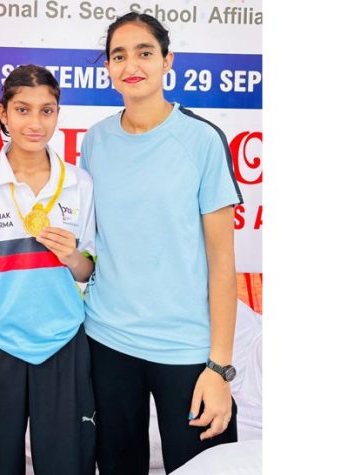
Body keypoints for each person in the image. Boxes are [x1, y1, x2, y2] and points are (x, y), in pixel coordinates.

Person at [79, 12, 244, 474]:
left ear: (167, 60)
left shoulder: (202, 140)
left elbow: (223, 263)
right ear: (108, 68)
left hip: (187, 351)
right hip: (108, 341)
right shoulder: (95, 142)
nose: (132, 64)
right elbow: (97, 245)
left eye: (145, 52)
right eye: (119, 55)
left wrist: (220, 369)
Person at [0, 64, 97, 475]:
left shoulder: (80, 184)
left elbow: (87, 272)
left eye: (47, 111)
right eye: (22, 110)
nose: (35, 123)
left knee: (68, 466)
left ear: (57, 114)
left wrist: (72, 257)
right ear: (2, 112)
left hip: (64, 344)